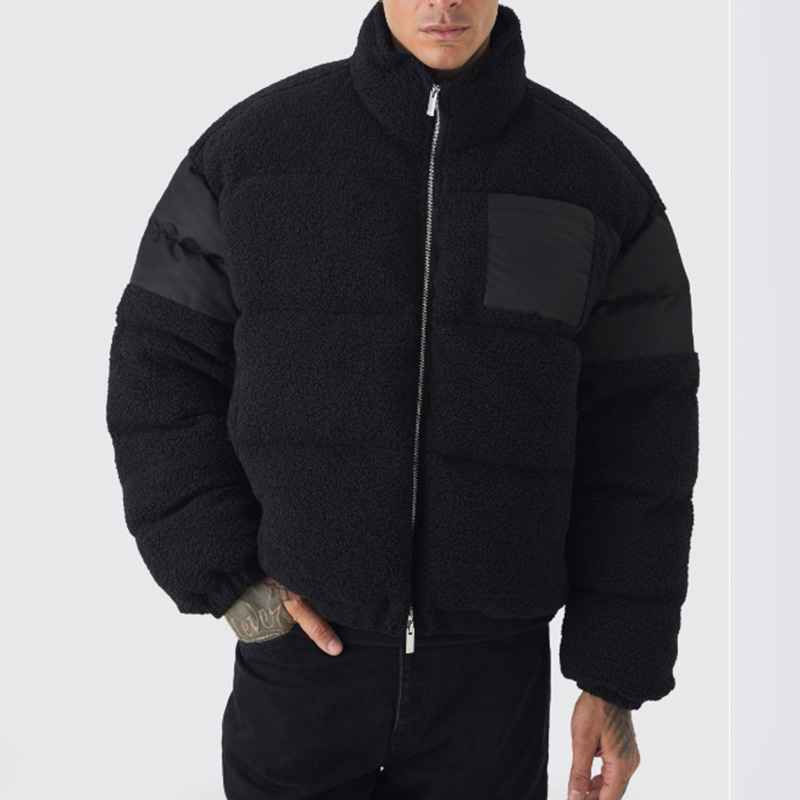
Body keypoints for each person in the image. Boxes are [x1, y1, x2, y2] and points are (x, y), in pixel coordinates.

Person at [105, 1, 700, 798]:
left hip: (492, 692)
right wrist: (225, 574)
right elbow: (158, 369)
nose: (441, 3)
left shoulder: (596, 183)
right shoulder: (251, 155)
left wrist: (614, 673)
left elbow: (644, 442)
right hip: (301, 668)